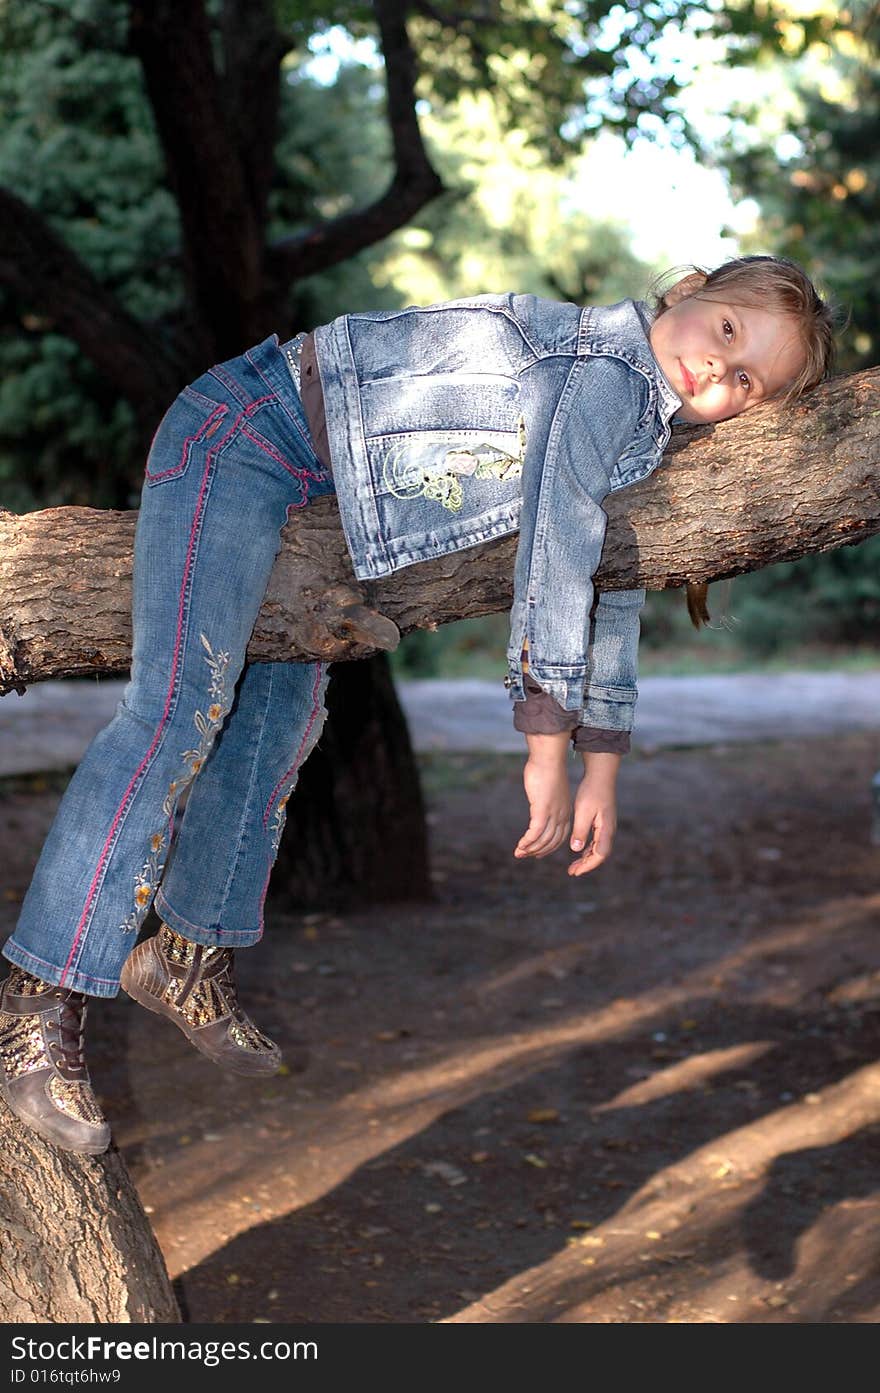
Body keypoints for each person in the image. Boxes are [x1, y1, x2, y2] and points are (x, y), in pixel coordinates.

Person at [0, 255, 835, 1154]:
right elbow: (552, 551)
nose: (718, 368)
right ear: (687, 294)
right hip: (248, 430)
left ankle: (184, 952)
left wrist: (605, 761)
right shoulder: (605, 368)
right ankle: (36, 1004)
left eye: (745, 380)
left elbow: (612, 577)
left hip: (318, 495)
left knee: (277, 725)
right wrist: (547, 746)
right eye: (725, 332)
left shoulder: (641, 429)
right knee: (177, 710)